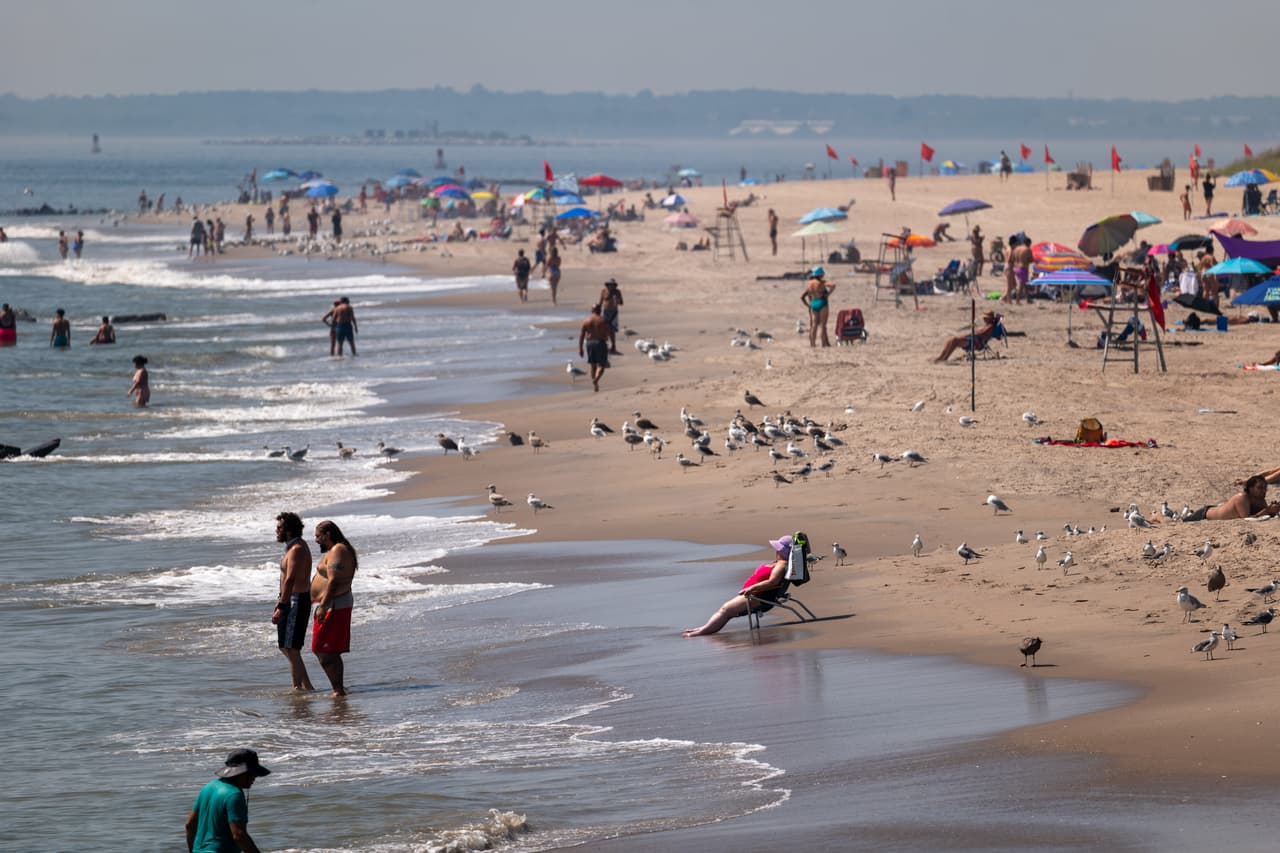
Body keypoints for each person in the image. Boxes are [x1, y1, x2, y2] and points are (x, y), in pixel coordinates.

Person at [682, 536, 793, 636]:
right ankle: (704, 628)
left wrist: (751, 588)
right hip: (756, 595)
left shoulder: (781, 565)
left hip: (758, 597)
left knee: (725, 611)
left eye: (778, 549)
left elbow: (772, 582)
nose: (776, 550)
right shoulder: (779, 562)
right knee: (724, 611)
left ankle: (702, 632)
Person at [185, 748, 270, 853]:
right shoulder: (234, 795)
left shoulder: (209, 787)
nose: (254, 778)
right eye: (253, 773)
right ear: (243, 773)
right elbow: (239, 835)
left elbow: (189, 824)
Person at [311, 519, 357, 696]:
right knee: (326, 649)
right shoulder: (334, 549)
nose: (316, 540)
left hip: (335, 604)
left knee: (324, 649)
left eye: (317, 536)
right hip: (332, 603)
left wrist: (323, 606)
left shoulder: (338, 549)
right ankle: (338, 688)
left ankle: (338, 690)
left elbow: (333, 580)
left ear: (327, 535)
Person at [274, 511, 315, 691]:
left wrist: (282, 606)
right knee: (286, 647)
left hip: (296, 601)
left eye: (279, 528)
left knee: (291, 648)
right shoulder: (293, 547)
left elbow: (290, 579)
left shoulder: (297, 549)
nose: (276, 531)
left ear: (289, 530)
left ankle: (299, 689)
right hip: (290, 599)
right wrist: (280, 600)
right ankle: (305, 687)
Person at [1184, 476, 1280, 521]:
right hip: (1203, 515)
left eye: (1265, 488)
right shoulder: (1241, 498)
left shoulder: (1260, 499)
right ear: (1250, 488)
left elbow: (1262, 515)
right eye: (1260, 488)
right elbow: (1247, 519)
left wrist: (1273, 509)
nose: (1263, 490)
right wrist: (1267, 510)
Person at [934, 311, 1000, 362]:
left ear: (990, 318)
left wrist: (969, 335)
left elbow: (981, 334)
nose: (984, 318)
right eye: (984, 317)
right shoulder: (987, 325)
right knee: (950, 340)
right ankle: (940, 357)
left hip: (977, 343)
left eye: (986, 317)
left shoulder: (990, 326)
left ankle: (945, 358)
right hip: (974, 339)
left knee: (954, 341)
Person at [578, 304, 612, 392]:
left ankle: (595, 386)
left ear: (591, 310)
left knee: (593, 365)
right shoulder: (603, 320)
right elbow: (609, 332)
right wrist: (612, 343)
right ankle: (596, 379)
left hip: (589, 343)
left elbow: (581, 336)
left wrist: (580, 348)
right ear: (600, 310)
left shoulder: (586, 321)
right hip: (600, 343)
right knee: (601, 365)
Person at [802, 266, 835, 348]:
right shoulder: (822, 282)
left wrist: (808, 305)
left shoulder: (809, 284)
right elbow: (833, 285)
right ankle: (823, 344)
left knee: (814, 325)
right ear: (821, 275)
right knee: (823, 325)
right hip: (822, 302)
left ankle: (812, 344)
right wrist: (828, 294)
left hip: (813, 303)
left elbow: (802, 297)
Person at [598, 278, 624, 353]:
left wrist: (617, 301)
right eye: (610, 285)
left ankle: (613, 346)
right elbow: (600, 302)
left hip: (614, 312)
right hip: (605, 312)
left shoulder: (617, 292)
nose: (611, 287)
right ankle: (605, 345)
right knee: (604, 329)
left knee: (612, 330)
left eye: (612, 285)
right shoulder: (603, 291)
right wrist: (598, 311)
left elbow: (621, 303)